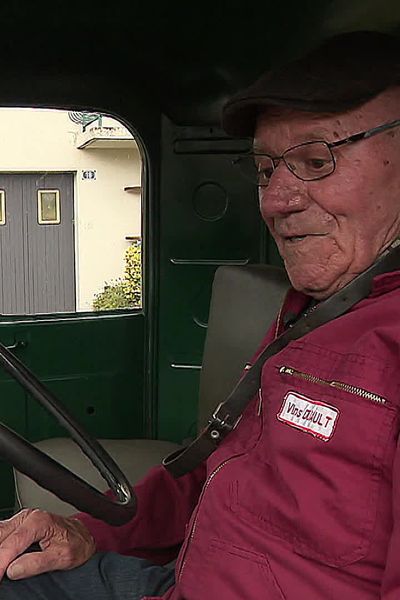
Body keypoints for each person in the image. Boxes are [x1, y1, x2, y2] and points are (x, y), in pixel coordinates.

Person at [1, 29, 400, 599]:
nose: (275, 200)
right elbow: (215, 481)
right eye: (266, 170)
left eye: (316, 160)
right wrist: (84, 534)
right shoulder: (311, 312)